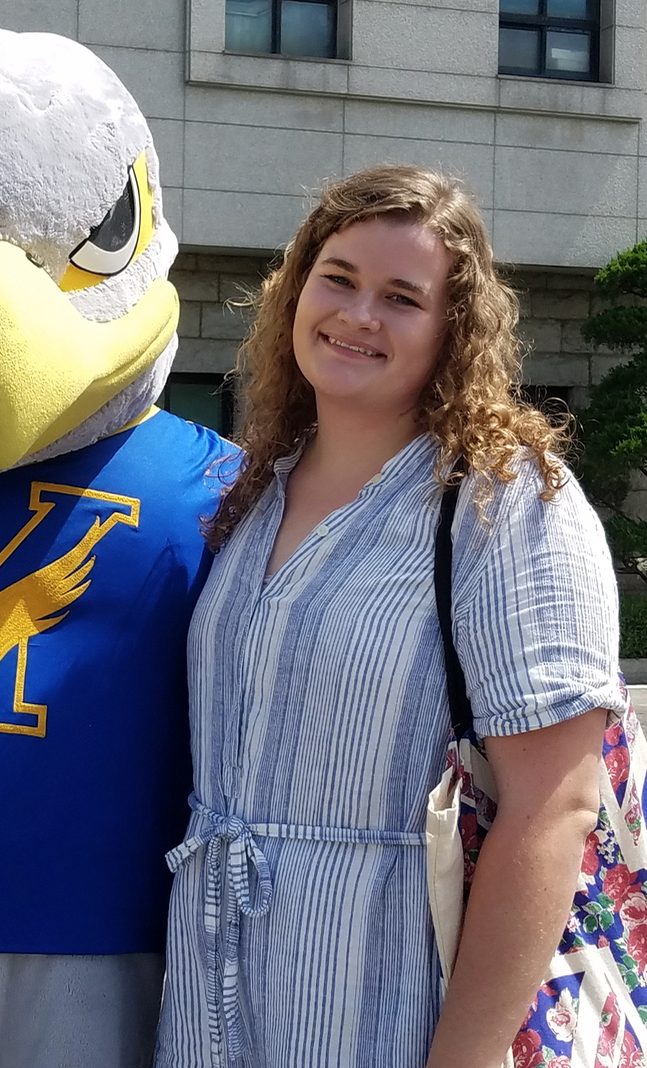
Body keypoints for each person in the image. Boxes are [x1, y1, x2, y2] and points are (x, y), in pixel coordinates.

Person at [153, 164, 627, 1068]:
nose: (358, 315)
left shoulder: (505, 502)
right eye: (338, 279)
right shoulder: (252, 492)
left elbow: (554, 802)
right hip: (213, 997)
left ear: (454, 330)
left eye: (402, 297)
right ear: (296, 290)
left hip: (395, 1005)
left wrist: (467, 1059)